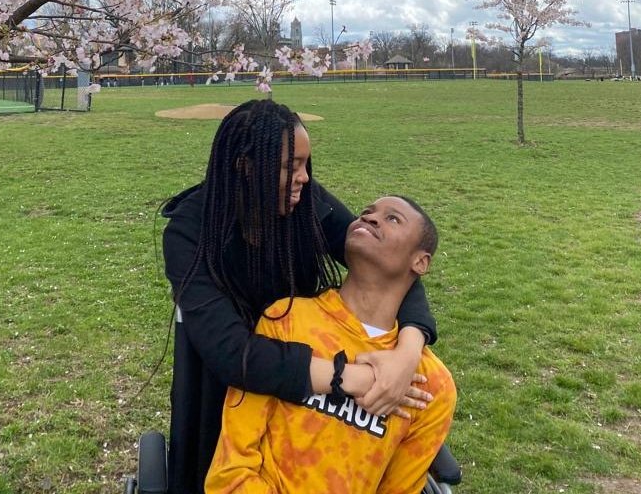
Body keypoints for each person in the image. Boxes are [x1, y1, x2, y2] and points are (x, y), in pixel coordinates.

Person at [162, 99, 438, 493]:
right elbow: (228, 351)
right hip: (234, 389)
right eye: (290, 167)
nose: (304, 179)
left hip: (312, 384)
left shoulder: (306, 202)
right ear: (246, 167)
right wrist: (348, 378)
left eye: (306, 165)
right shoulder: (190, 232)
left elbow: (392, 265)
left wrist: (406, 356)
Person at [205, 195, 455, 494]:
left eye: (393, 219)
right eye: (367, 212)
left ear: (420, 262)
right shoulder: (286, 320)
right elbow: (231, 473)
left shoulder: (432, 385)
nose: (370, 217)